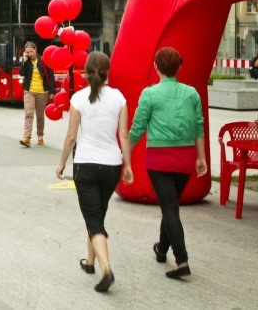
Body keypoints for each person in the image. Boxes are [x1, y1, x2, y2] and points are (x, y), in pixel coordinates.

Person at [56, 52, 132, 293]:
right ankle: (89, 262)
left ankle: (106, 269)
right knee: (97, 214)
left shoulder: (78, 98)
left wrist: (61, 164)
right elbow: (124, 135)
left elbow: (70, 137)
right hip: (112, 166)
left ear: (86, 71)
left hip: (86, 165)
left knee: (93, 219)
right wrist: (128, 165)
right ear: (108, 71)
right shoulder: (119, 98)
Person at [128, 46, 206, 280]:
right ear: (179, 67)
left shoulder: (149, 94)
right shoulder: (192, 93)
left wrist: (125, 155)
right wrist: (201, 157)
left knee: (169, 208)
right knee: (170, 205)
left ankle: (181, 260)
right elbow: (199, 126)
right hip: (186, 158)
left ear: (156, 67)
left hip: (159, 159)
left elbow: (138, 128)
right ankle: (162, 249)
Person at [19, 41, 55, 147]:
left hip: (42, 92)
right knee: (29, 114)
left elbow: (51, 75)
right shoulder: (27, 61)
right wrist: (25, 61)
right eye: (27, 52)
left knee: (40, 116)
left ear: (35, 50)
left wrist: (52, 91)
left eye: (31, 51)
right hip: (29, 91)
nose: (29, 54)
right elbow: (21, 73)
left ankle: (40, 135)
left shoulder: (44, 60)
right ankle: (27, 138)